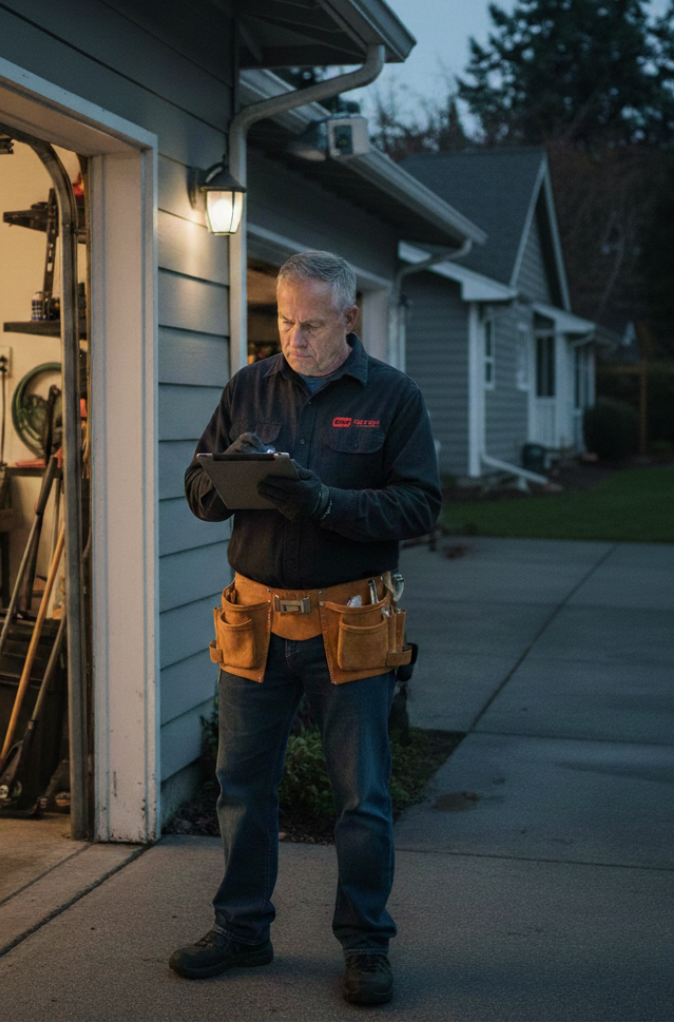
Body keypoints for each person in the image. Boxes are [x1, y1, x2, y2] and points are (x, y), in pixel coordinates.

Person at [170, 250, 441, 1006]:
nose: (295, 337)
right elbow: (196, 484)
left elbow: (419, 507)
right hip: (254, 619)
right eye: (285, 321)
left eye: (312, 324)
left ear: (349, 318)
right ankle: (241, 931)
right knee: (241, 789)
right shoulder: (248, 387)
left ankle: (364, 947)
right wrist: (224, 484)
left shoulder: (393, 398)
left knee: (361, 799)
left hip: (349, 625)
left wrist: (324, 503)